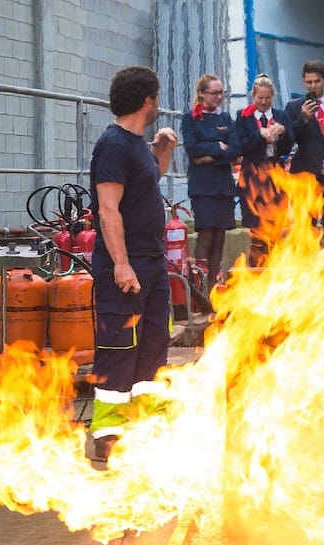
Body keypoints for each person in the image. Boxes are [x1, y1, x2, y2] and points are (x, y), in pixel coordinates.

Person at [87, 66, 179, 462]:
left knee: (155, 342)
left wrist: (163, 151)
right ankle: (107, 434)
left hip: (152, 263)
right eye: (156, 97)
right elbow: (109, 209)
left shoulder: (137, 143)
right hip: (124, 267)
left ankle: (148, 424)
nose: (158, 104)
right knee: (119, 346)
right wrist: (121, 265)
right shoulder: (113, 145)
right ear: (147, 100)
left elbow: (147, 182)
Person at [181, 74, 239, 284]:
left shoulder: (225, 118)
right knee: (206, 236)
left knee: (220, 237)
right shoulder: (191, 118)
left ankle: (214, 285)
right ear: (202, 94)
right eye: (214, 93)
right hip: (203, 188)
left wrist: (208, 156)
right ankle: (199, 286)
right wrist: (218, 147)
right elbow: (192, 149)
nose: (219, 97)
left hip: (223, 186)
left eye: (221, 92)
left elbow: (234, 149)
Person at [234, 74, 294, 265]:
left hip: (275, 177)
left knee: (277, 227)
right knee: (258, 231)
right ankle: (257, 271)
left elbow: (288, 147)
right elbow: (240, 147)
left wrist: (283, 133)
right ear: (253, 96)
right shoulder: (243, 117)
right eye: (260, 98)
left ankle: (276, 269)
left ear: (272, 96)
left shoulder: (281, 115)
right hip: (252, 177)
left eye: (267, 98)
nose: (263, 101)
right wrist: (258, 134)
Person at [285, 60, 324, 246]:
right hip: (305, 176)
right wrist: (302, 119)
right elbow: (289, 139)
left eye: (317, 81)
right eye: (309, 82)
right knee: (304, 228)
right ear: (304, 81)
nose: (313, 85)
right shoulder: (294, 107)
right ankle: (306, 269)